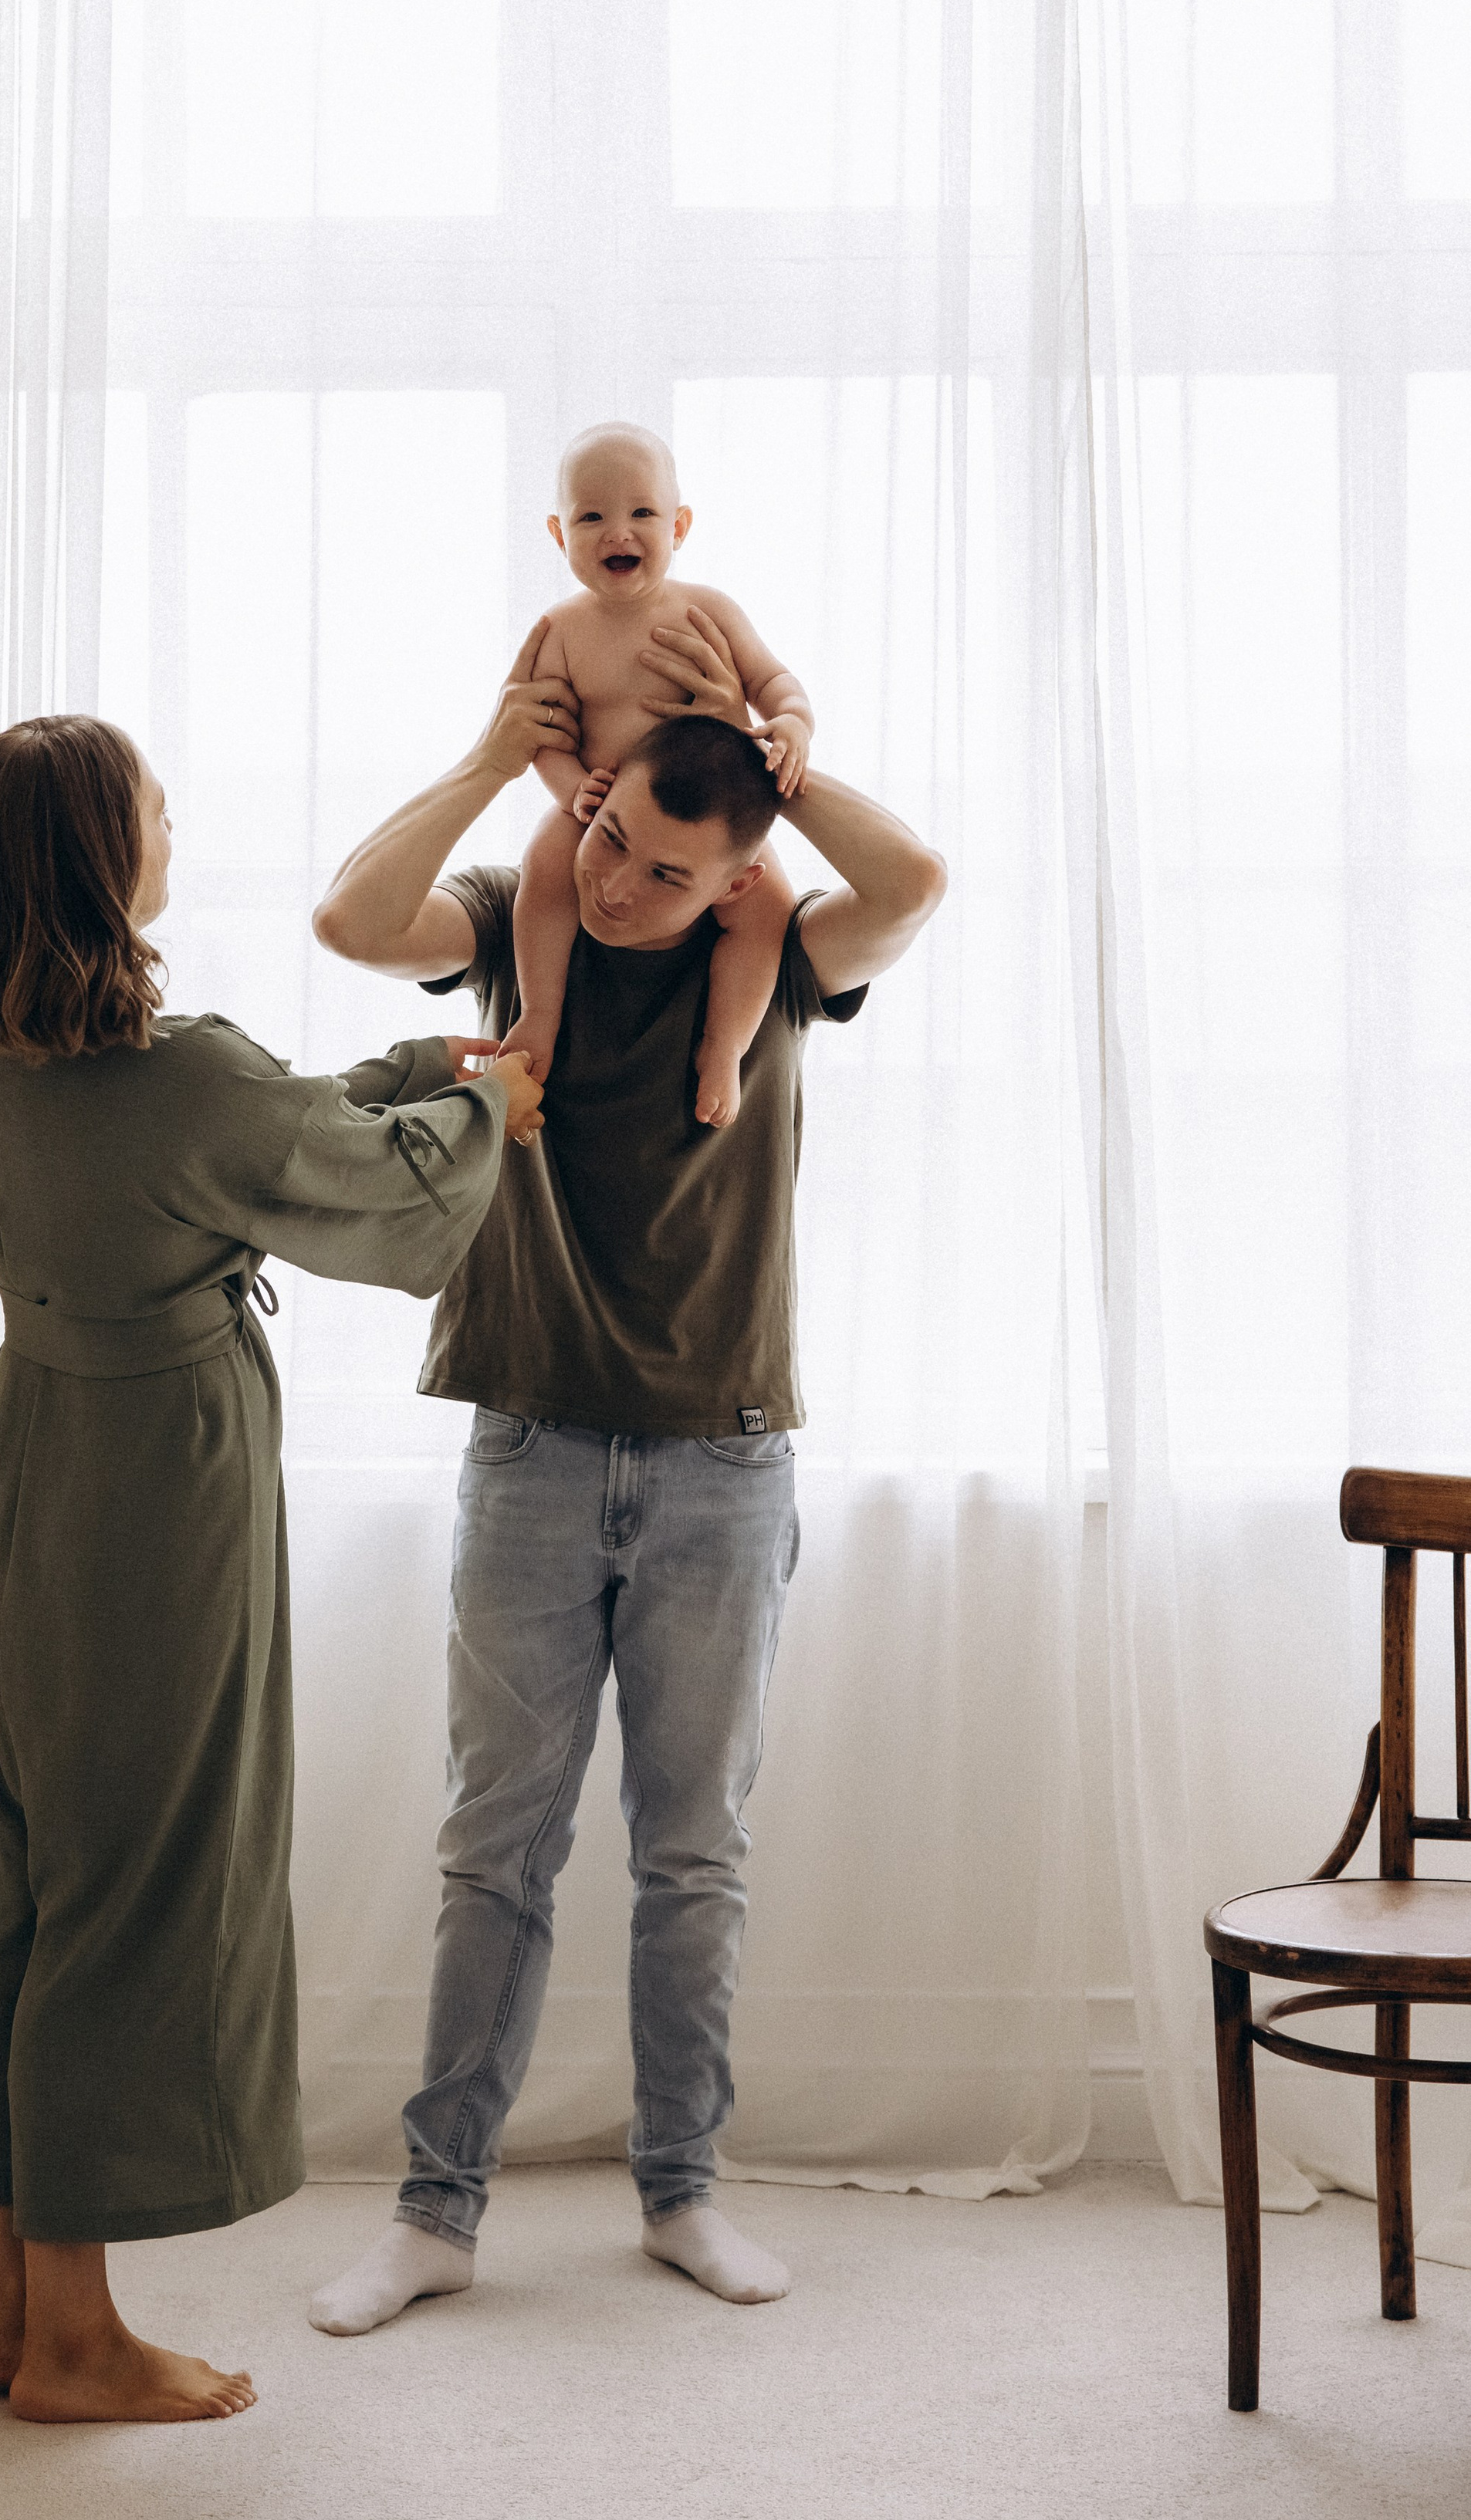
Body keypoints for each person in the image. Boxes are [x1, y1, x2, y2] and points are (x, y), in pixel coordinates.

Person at [305, 612, 946, 2333]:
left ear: (739, 883)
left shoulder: (780, 958)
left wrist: (783, 768)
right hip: (528, 1437)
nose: (619, 886)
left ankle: (681, 2193)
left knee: (692, 1854)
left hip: (723, 1459)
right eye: (609, 840)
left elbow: (913, 879)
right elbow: (350, 920)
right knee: (493, 1849)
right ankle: (434, 2214)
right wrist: (486, 758)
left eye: (671, 872)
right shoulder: (520, 934)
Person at [0, 713, 543, 2424]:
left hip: (33, 1463)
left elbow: (257, 1122)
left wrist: (421, 1071)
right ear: (92, 858)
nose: (172, 827)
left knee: (31, 1867)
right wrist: (483, 1106)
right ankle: (73, 2338)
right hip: (153, 1487)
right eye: (150, 810)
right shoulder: (180, 1077)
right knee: (141, 1877)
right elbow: (366, 1194)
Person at [500, 421, 815, 1128]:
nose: (619, 531)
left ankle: (724, 1046)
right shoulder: (560, 630)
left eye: (642, 512)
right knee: (544, 870)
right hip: (603, 813)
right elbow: (541, 735)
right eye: (591, 517)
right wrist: (571, 788)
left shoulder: (708, 610)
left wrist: (792, 722)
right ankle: (540, 1012)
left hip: (709, 820)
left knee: (766, 911)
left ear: (679, 525)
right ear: (557, 534)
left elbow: (774, 680)